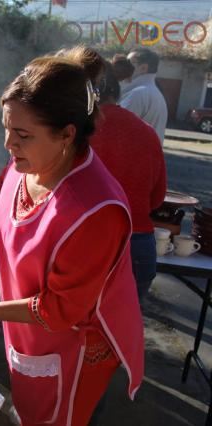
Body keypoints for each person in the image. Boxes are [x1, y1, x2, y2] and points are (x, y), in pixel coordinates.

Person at [0, 50, 144, 425]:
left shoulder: (94, 210)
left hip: (73, 346)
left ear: (67, 133)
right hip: (29, 330)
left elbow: (61, 310)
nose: (9, 144)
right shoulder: (34, 157)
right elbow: (7, 178)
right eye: (5, 128)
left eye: (21, 135)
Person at [90, 55, 167, 299]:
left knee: (74, 334)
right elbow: (156, 199)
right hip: (139, 246)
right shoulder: (147, 133)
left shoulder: (77, 131)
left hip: (90, 245)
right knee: (121, 333)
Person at [119, 48, 168, 144]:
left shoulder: (138, 94)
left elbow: (116, 130)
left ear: (143, 68)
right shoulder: (153, 92)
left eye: (128, 63)